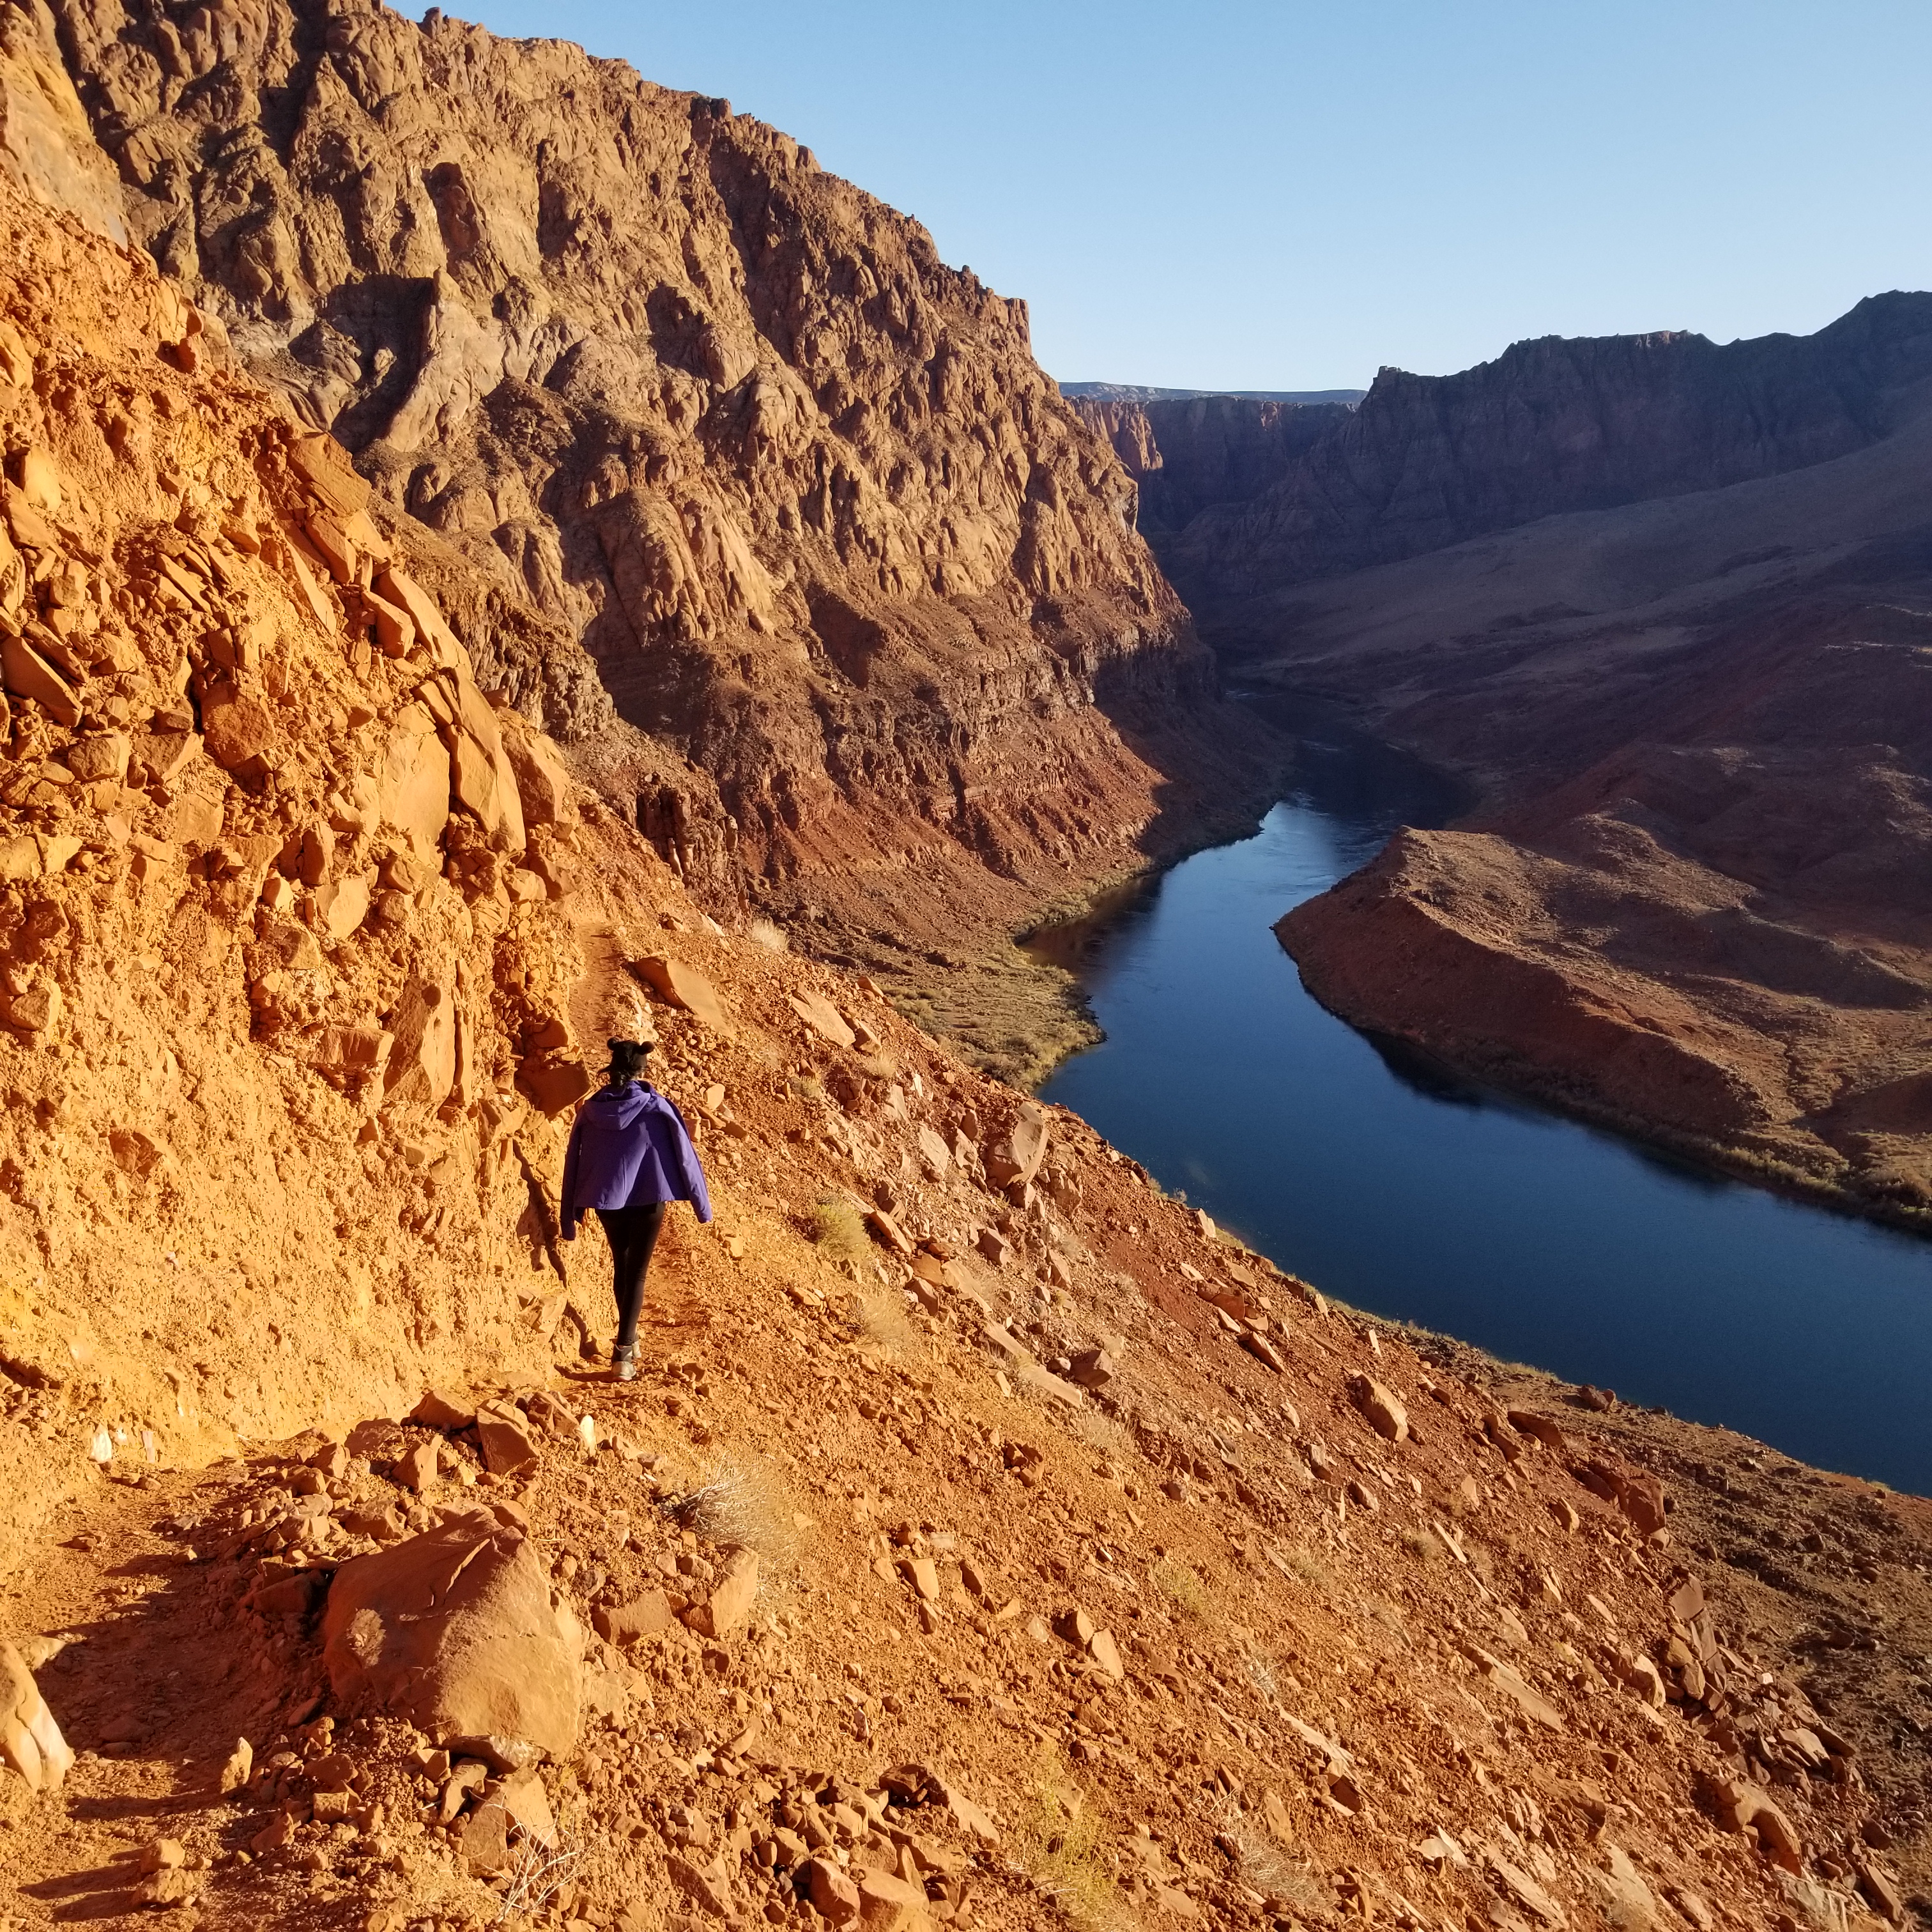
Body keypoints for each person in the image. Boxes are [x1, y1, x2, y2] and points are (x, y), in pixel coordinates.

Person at [559, 1039, 712, 1380]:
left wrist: (571, 1211)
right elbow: (686, 1156)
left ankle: (629, 1340)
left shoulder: (590, 1110)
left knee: (622, 1265)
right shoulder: (657, 1107)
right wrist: (702, 1206)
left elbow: (575, 1160)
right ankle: (623, 1352)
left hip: (606, 1200)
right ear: (642, 1071)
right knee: (638, 1273)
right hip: (648, 1196)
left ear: (611, 1070)